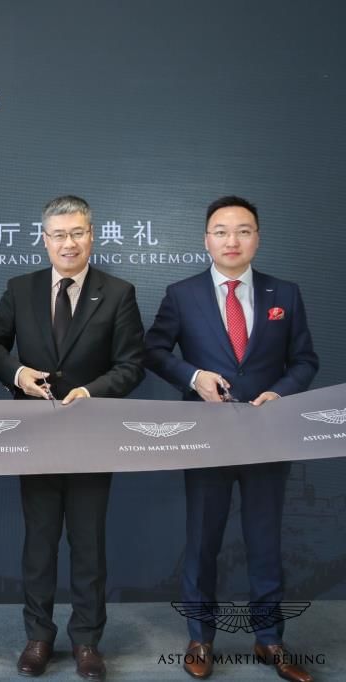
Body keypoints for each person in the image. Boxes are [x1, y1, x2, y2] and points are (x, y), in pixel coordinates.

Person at [144, 196, 317, 682]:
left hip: (267, 436)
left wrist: (281, 392)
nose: (232, 240)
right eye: (221, 231)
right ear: (206, 240)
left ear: (257, 237)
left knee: (265, 541)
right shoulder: (182, 294)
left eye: (243, 230)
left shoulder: (286, 293)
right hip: (207, 436)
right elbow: (153, 350)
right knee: (202, 541)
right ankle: (200, 637)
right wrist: (193, 376)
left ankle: (270, 640)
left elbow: (305, 359)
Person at [0, 195, 145, 680]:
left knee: (88, 543)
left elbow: (132, 364)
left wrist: (92, 391)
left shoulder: (118, 292)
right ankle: (39, 637)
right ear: (44, 239)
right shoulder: (21, 288)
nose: (68, 243)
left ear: (92, 235)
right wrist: (18, 374)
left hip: (92, 434)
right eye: (59, 235)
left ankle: (87, 640)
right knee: (40, 541)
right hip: (37, 435)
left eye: (77, 233)